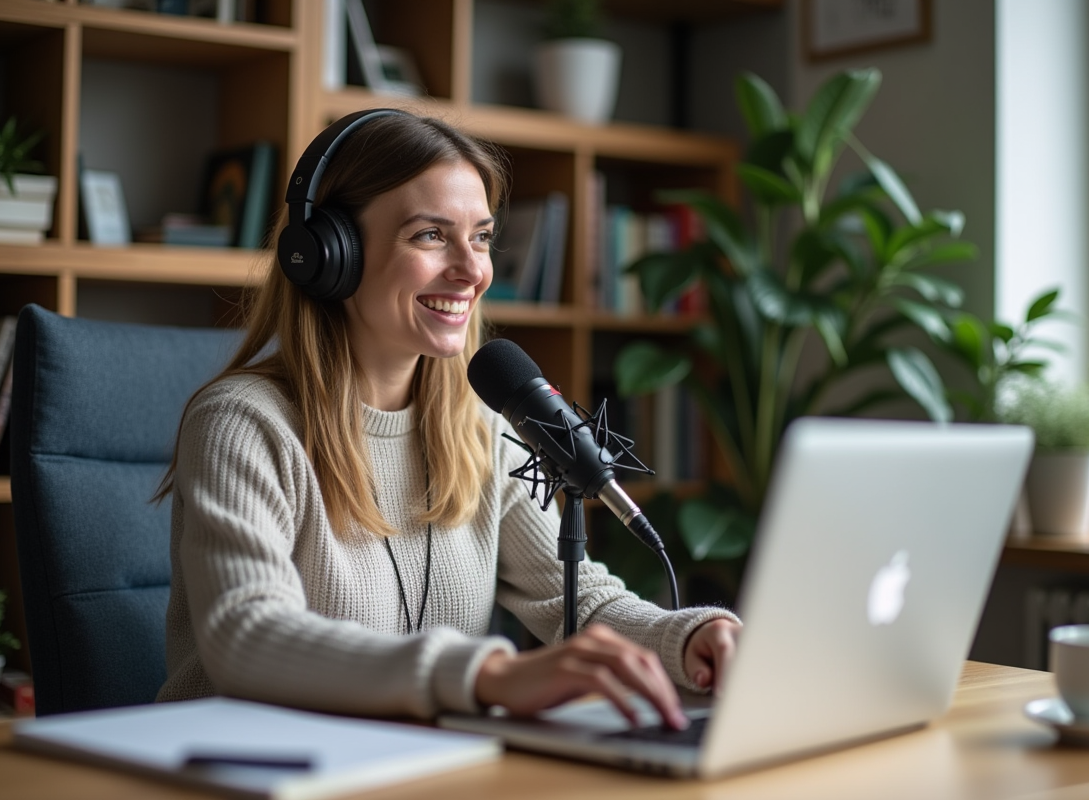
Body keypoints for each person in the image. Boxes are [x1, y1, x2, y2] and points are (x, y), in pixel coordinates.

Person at [155, 109, 741, 730]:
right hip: (236, 765)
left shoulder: (481, 428)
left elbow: (575, 598)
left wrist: (688, 638)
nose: (473, 270)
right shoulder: (243, 425)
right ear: (330, 255)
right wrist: (486, 675)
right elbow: (247, 636)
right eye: (430, 236)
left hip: (405, 768)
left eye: (482, 237)